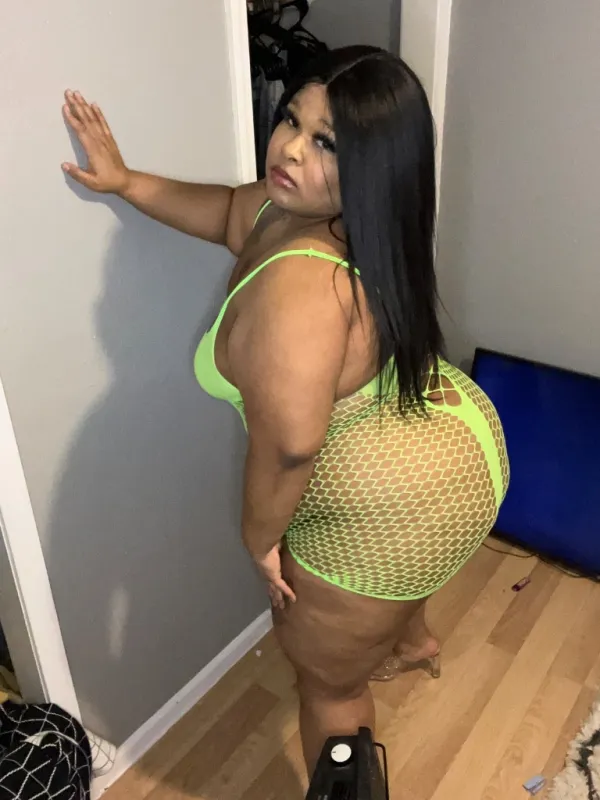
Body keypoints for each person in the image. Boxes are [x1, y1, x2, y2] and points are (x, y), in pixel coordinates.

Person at [62, 45, 509, 777]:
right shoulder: (298, 211)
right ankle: (410, 637)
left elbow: (292, 447)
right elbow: (225, 212)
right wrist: (127, 181)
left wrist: (260, 538)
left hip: (408, 503)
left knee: (331, 686)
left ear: (373, 168)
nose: (291, 149)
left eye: (327, 142)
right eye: (291, 120)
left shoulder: (299, 298)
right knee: (378, 594)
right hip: (447, 434)